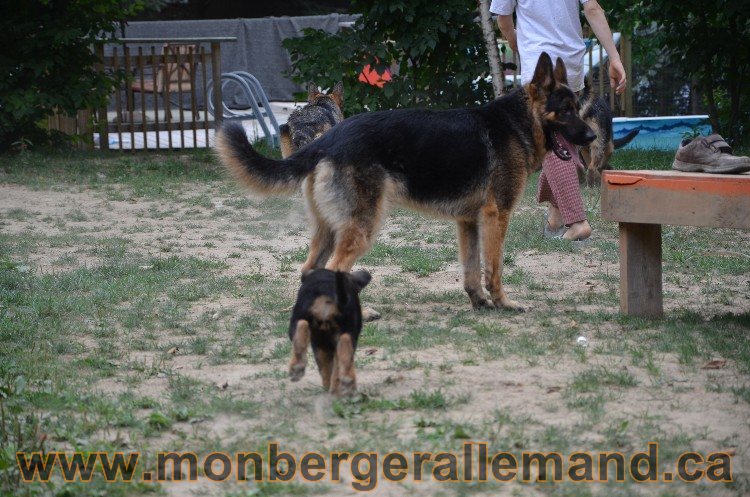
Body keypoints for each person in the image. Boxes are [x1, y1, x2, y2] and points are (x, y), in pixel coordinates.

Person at [490, 0, 627, 241]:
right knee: (565, 136)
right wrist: (614, 57)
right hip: (570, 63)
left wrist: (520, 46)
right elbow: (593, 9)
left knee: (551, 143)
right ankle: (555, 218)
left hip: (540, 64)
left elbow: (503, 21)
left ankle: (577, 221)